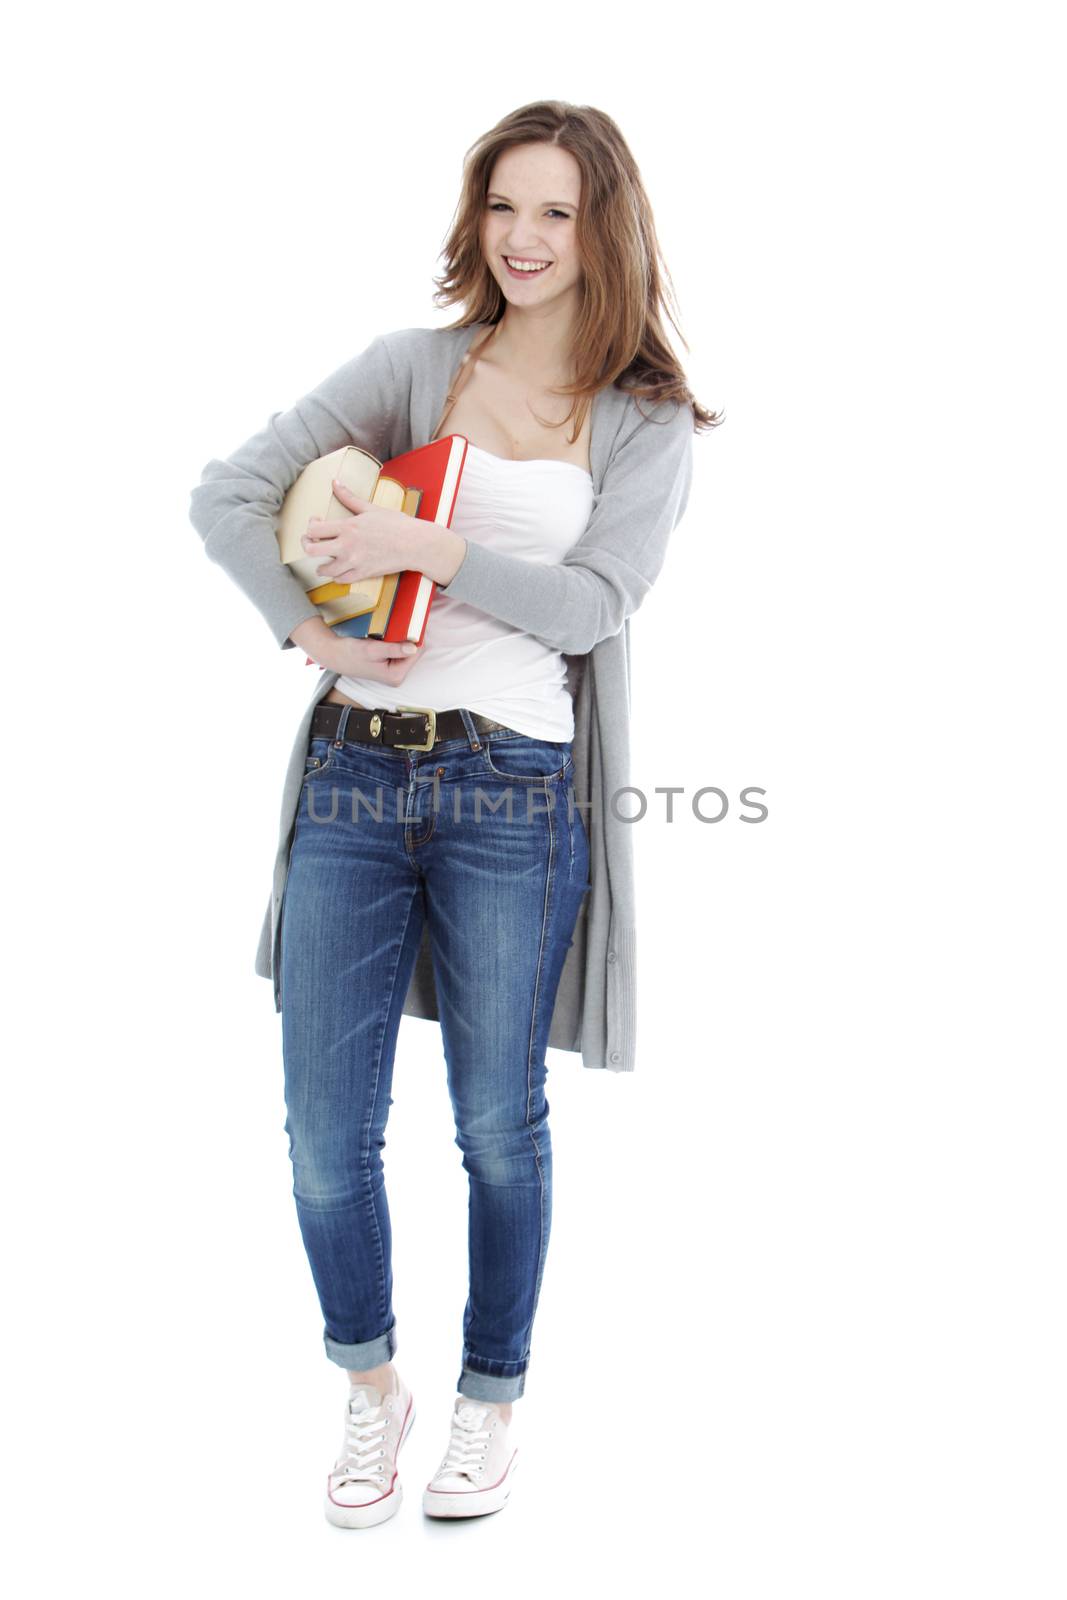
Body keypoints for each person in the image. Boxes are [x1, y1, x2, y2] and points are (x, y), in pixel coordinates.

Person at [188, 99, 721, 1530]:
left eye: (558, 210)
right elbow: (226, 494)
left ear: (607, 225)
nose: (528, 238)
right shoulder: (415, 367)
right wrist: (318, 630)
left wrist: (431, 546)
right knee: (320, 1132)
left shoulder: (645, 419)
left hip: (512, 794)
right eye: (505, 206)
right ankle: (374, 1395)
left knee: (496, 1121)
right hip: (356, 781)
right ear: (475, 220)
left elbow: (594, 604)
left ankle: (491, 1401)